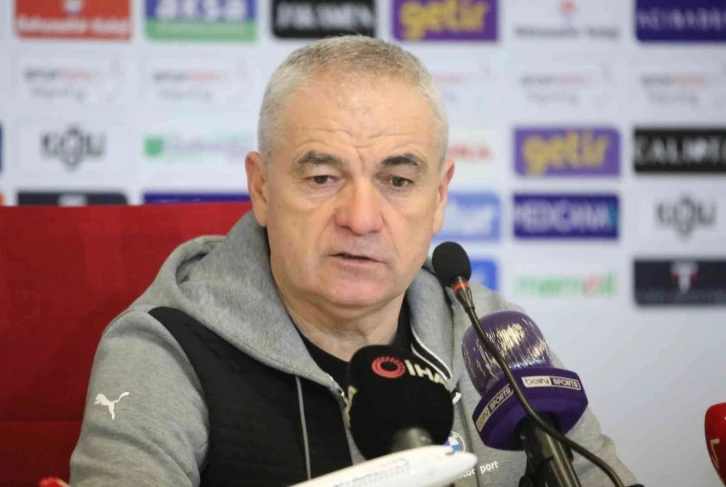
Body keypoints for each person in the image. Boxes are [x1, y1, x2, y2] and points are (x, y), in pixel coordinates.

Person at [70, 36, 638, 486]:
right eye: (322, 177)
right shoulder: (168, 348)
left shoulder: (492, 339)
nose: (362, 218)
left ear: (439, 197)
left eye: (398, 181)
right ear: (262, 189)